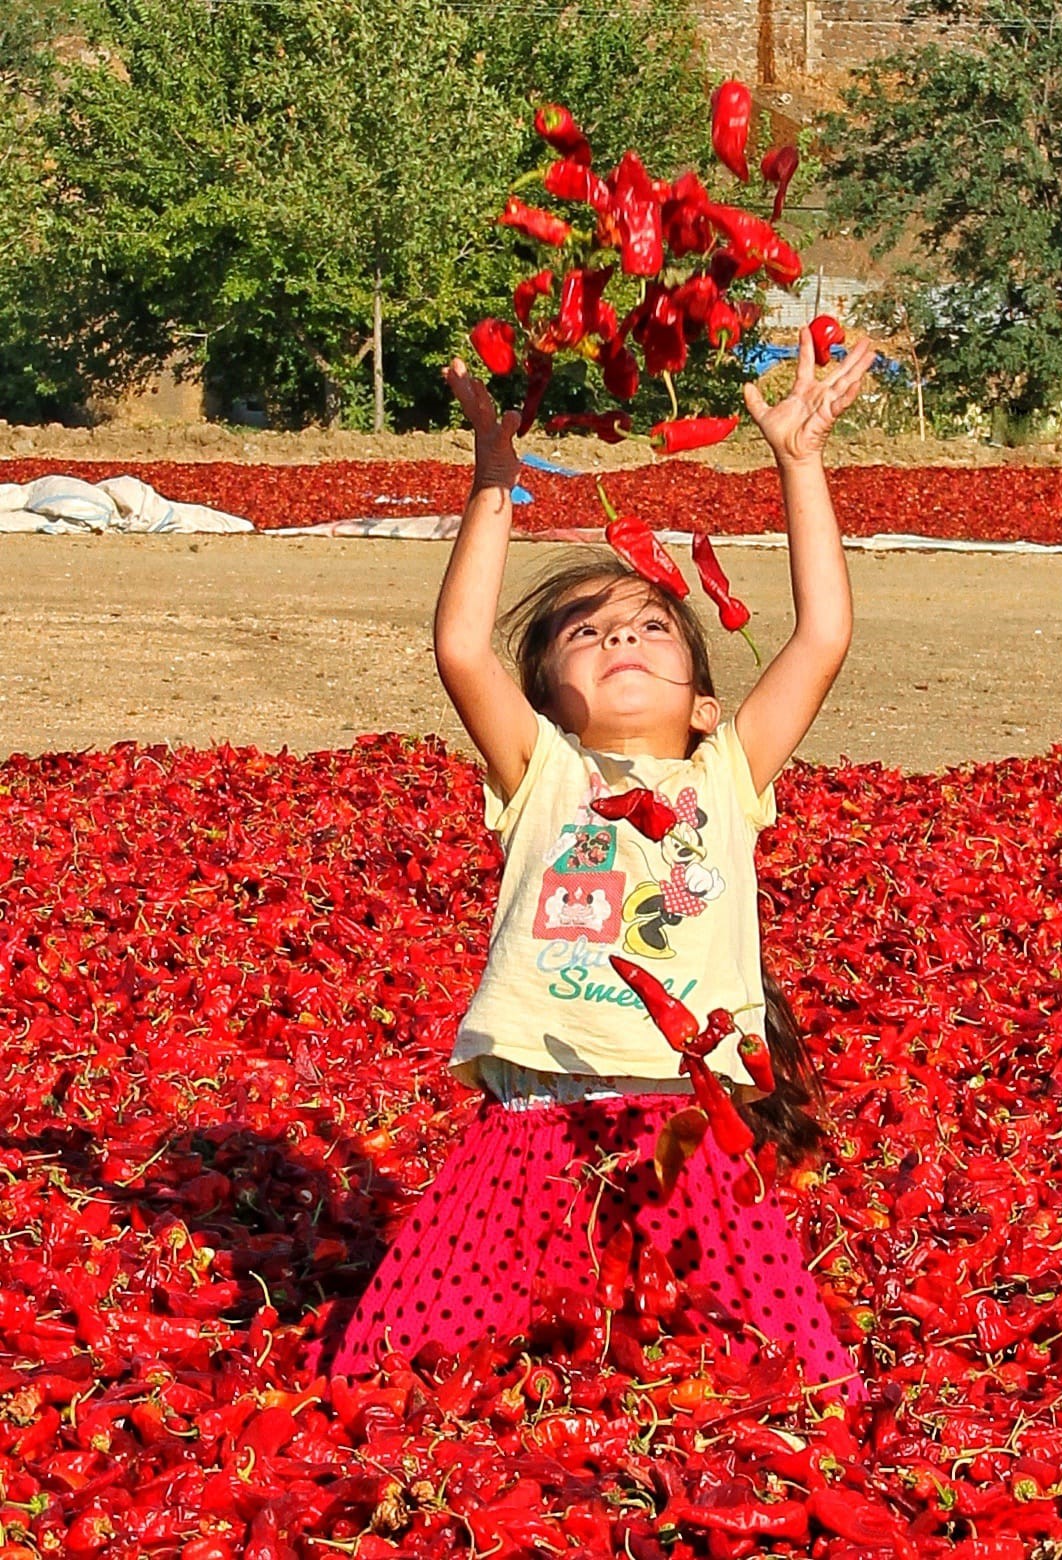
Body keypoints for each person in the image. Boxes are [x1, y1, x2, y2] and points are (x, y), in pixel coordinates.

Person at [329, 326, 877, 1401]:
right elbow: (459, 650)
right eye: (583, 635)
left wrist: (799, 465)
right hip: (531, 1121)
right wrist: (496, 482)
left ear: (706, 700)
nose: (618, 639)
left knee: (778, 1386)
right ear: (540, 700)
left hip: (688, 1134)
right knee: (409, 1381)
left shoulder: (726, 774)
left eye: (649, 628)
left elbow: (820, 639)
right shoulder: (543, 773)